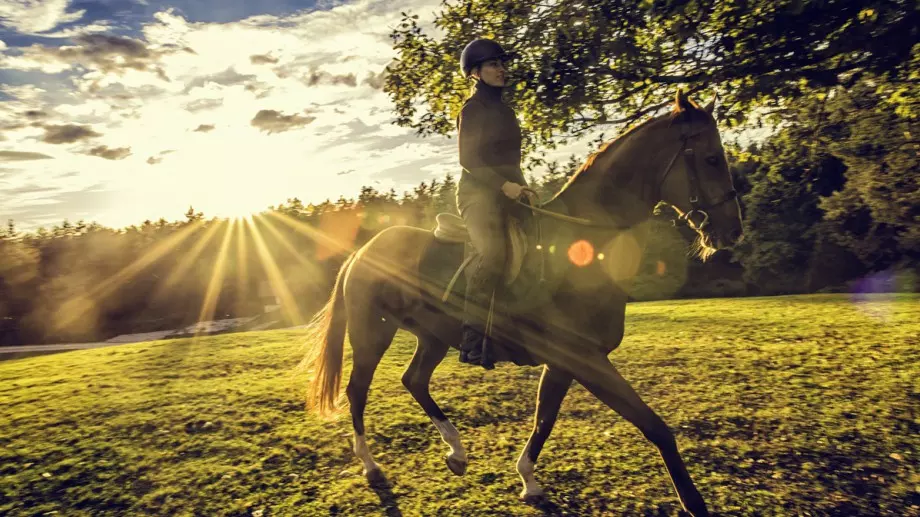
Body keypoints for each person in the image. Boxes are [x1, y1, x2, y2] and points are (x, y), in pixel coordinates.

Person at [455, 38, 530, 369]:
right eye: (493, 65)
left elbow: (511, 160)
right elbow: (468, 158)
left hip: (510, 191)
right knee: (494, 253)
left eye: (502, 64)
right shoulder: (472, 110)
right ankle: (471, 340)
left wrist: (523, 188)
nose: (502, 70)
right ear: (475, 74)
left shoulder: (506, 110)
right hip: (477, 196)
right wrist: (503, 186)